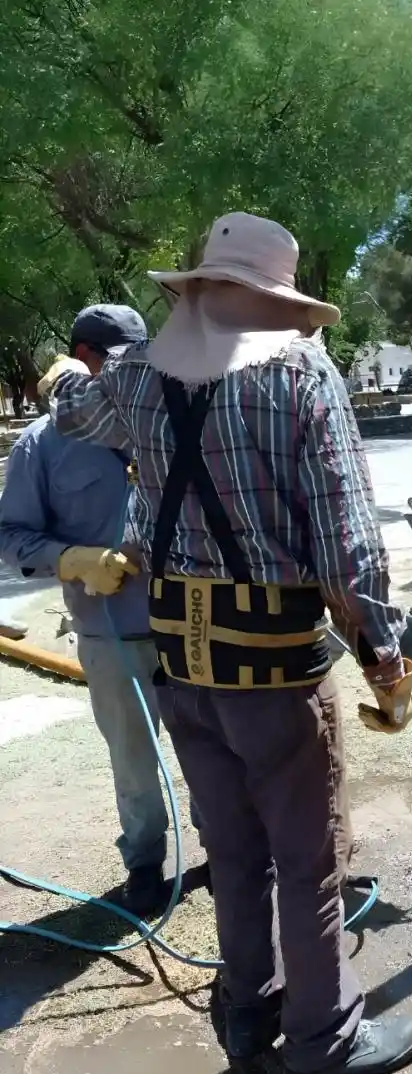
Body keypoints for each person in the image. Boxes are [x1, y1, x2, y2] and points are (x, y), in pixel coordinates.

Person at [43, 212, 412, 1074]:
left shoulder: (135, 376)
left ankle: (247, 1010)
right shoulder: (301, 375)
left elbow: (68, 416)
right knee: (308, 855)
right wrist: (383, 655)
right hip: (274, 669)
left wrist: (66, 373)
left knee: (234, 850)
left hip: (179, 663)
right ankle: (323, 1037)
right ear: (271, 298)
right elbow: (347, 541)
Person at [0, 305, 193, 916]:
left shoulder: (169, 416)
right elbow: (10, 537)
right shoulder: (43, 446)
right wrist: (76, 559)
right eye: (118, 360)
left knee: (214, 751)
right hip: (112, 633)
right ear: (84, 358)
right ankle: (145, 865)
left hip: (192, 623)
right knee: (135, 762)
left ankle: (227, 851)